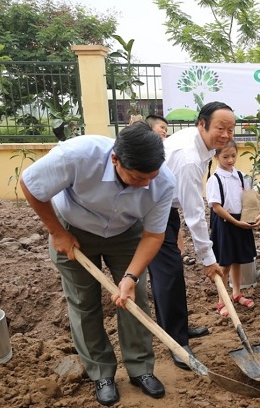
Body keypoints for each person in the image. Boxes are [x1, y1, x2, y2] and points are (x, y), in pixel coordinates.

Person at [20, 122, 175, 406]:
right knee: (84, 302)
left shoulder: (162, 182)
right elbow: (30, 184)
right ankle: (101, 373)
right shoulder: (78, 155)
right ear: (115, 159)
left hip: (126, 233)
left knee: (134, 299)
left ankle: (140, 369)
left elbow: (153, 234)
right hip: (73, 229)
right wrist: (57, 232)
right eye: (138, 177)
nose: (146, 184)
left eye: (151, 177)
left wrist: (131, 276)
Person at [148, 101, 233, 370]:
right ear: (202, 125)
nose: (226, 134)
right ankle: (176, 341)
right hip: (150, 209)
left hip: (166, 205)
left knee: (171, 272)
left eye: (230, 129)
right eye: (220, 128)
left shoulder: (202, 145)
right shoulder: (189, 158)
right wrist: (208, 260)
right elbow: (194, 213)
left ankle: (179, 329)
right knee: (168, 273)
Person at [206, 138, 260, 316]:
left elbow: (250, 198)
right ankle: (222, 301)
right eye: (225, 157)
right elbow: (216, 207)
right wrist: (235, 222)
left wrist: (258, 215)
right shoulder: (215, 179)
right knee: (225, 263)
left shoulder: (240, 176)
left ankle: (236, 293)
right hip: (225, 223)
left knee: (238, 260)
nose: (230, 160)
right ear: (216, 156)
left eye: (233, 156)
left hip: (241, 220)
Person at [146, 114, 196, 266]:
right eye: (161, 127)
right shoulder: (145, 149)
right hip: (151, 201)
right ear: (150, 127)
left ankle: (181, 252)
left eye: (166, 129)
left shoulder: (170, 146)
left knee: (173, 225)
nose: (164, 132)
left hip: (169, 200)